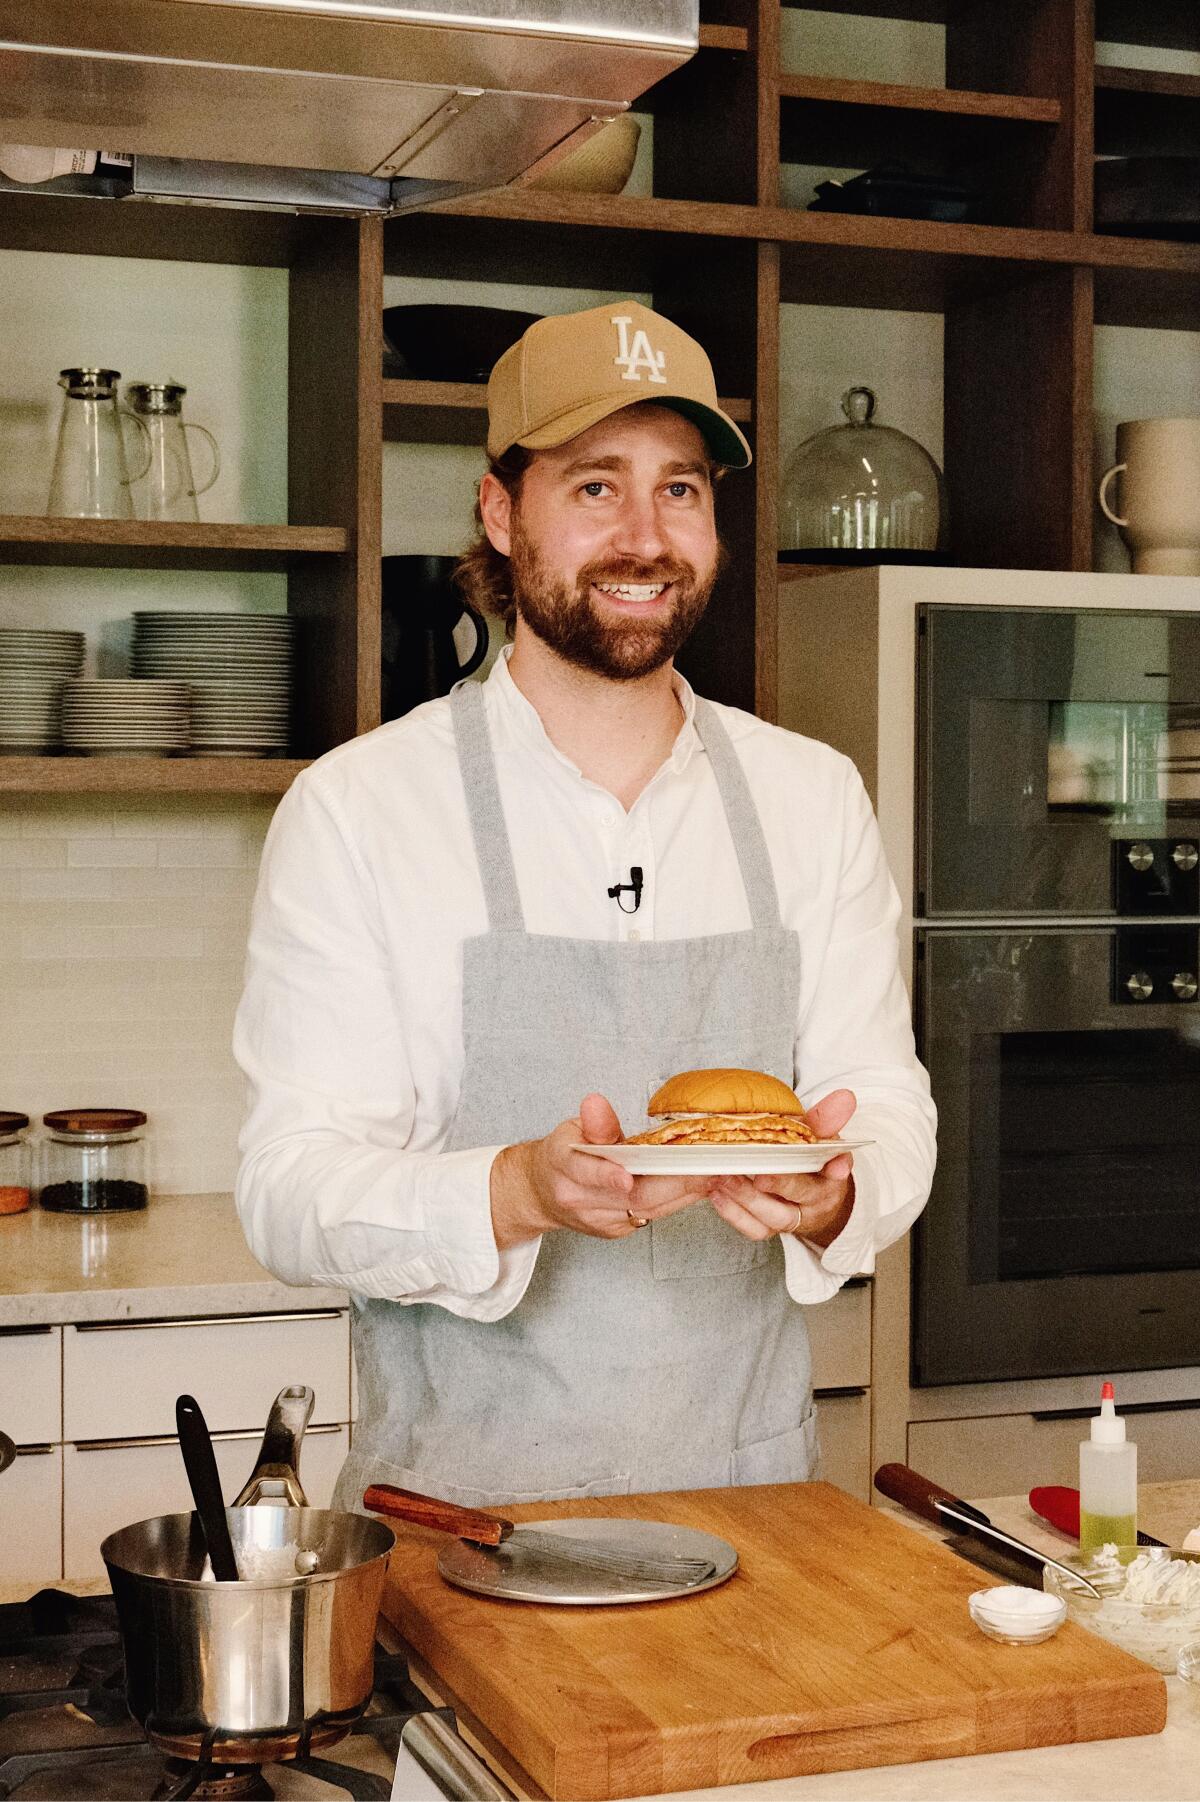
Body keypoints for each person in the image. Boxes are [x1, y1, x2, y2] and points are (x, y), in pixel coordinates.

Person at [234, 300, 936, 1510]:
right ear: (502, 513)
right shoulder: (361, 807)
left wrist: (842, 1189)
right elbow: (287, 1186)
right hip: (457, 1520)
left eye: (681, 488)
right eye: (596, 487)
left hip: (755, 1509)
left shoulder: (810, 796)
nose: (646, 537)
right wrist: (511, 1190)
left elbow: (888, 1103)